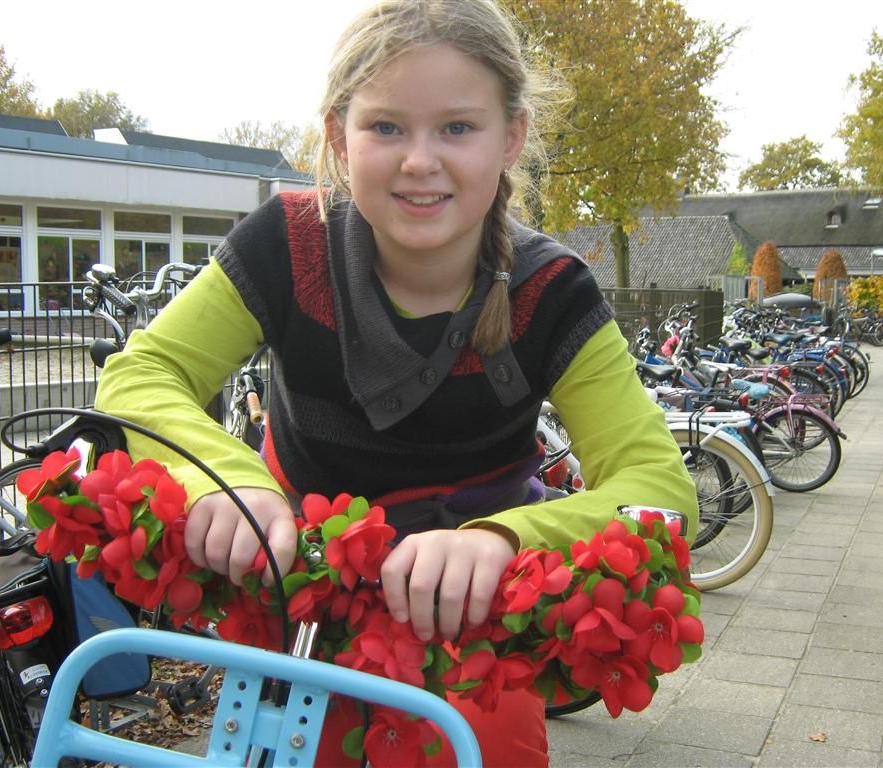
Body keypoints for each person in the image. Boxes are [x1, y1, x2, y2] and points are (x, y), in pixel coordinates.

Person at [94, 1, 698, 764]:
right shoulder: (285, 244)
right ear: (337, 137)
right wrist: (226, 480)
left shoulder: (552, 293)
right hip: (300, 614)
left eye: (457, 127)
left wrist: (504, 538)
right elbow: (145, 371)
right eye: (385, 127)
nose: (419, 161)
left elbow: (659, 490)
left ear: (512, 136)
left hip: (472, 636)